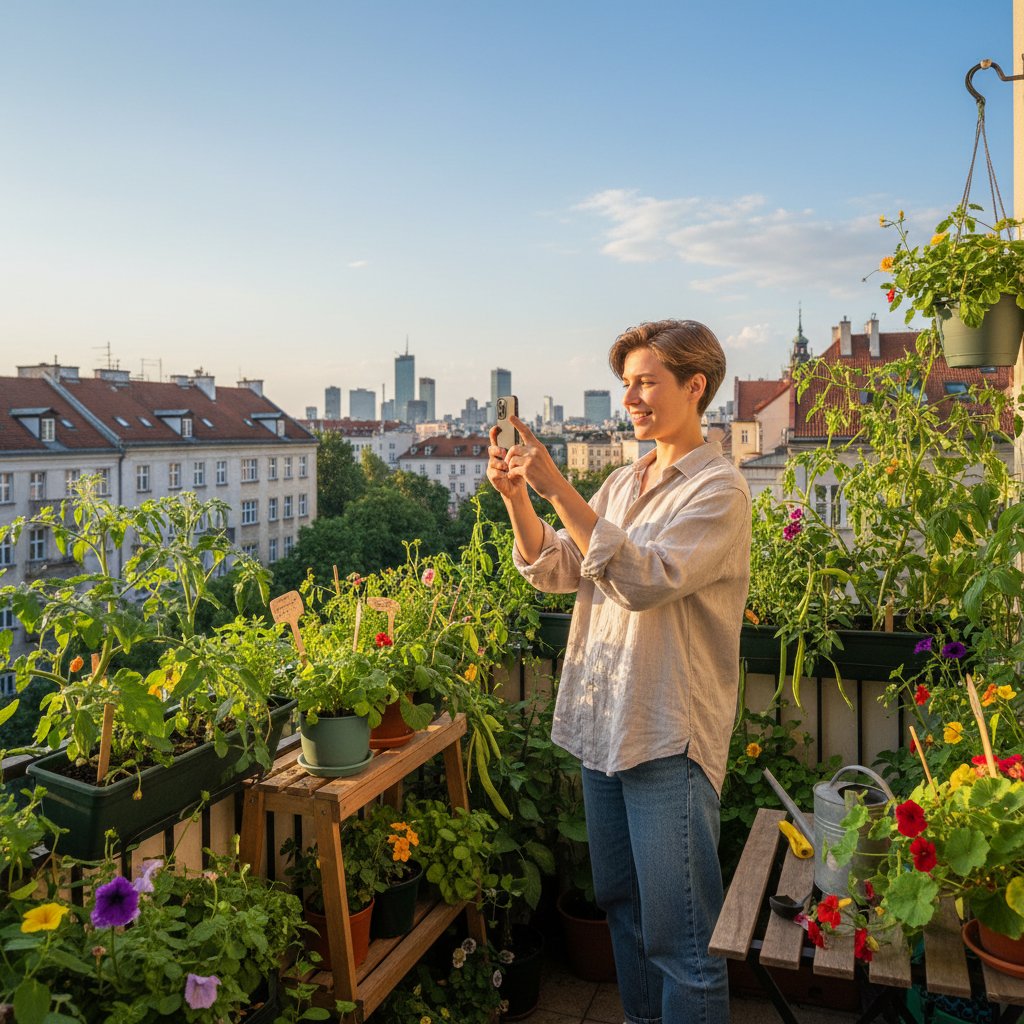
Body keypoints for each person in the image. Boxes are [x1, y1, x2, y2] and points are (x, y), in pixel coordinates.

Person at [487, 319, 750, 1024]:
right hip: (605, 725)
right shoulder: (622, 482)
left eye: (645, 383)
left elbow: (643, 580)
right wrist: (519, 498)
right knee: (624, 910)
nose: (630, 398)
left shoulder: (719, 490)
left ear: (695, 387)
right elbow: (559, 569)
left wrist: (556, 489)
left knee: (683, 941)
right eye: (626, 383)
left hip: (667, 733)